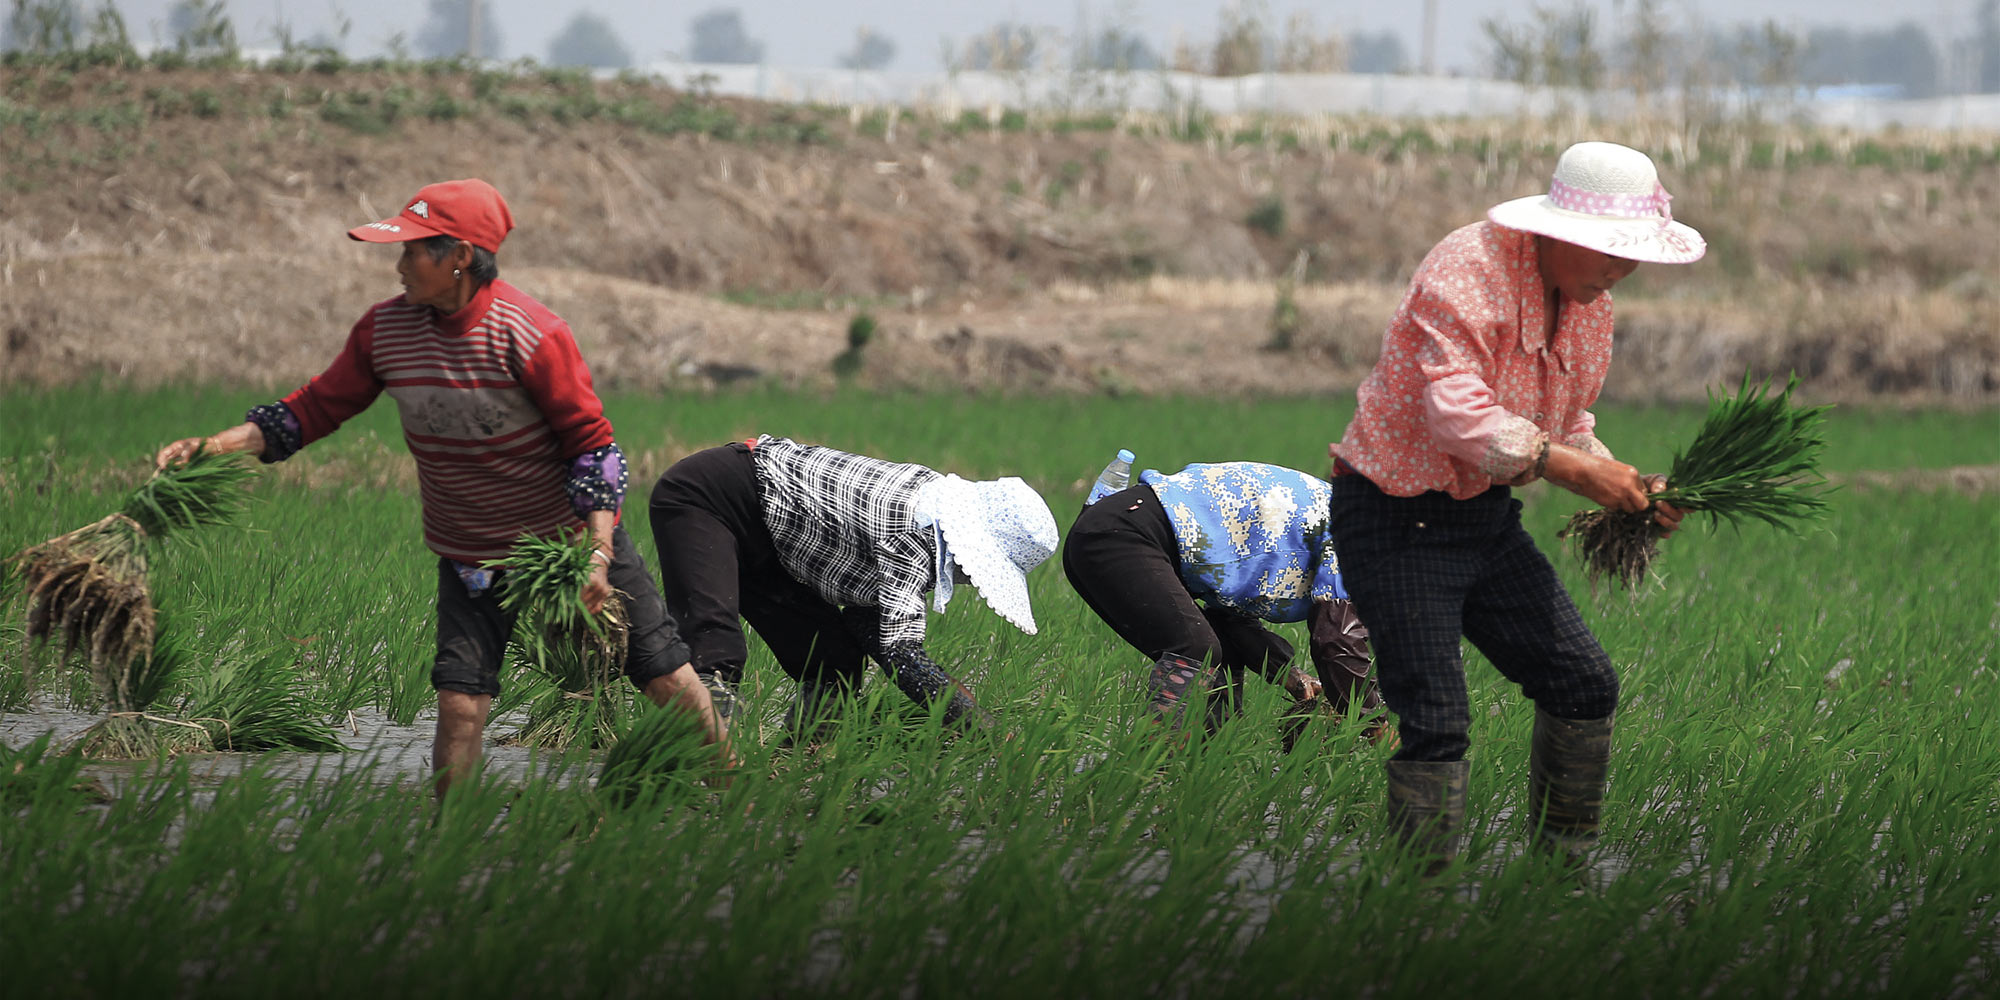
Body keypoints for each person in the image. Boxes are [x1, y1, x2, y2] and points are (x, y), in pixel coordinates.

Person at [153, 179, 731, 797]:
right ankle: (448, 839)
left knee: (663, 676)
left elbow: (593, 448)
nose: (399, 265)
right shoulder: (384, 333)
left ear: (458, 257)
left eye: (412, 250)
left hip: (564, 547)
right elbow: (312, 410)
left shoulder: (532, 334)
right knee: (460, 702)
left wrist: (596, 553)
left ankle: (734, 792)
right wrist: (212, 447)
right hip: (469, 556)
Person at [1326, 141, 1701, 869]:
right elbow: (1459, 418)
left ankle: (1559, 878)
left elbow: (1568, 424)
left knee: (1584, 684)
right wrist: (1577, 474)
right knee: (1436, 721)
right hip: (1395, 514)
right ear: (1560, 233)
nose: (1622, 269)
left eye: (1631, 256)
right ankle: (1415, 907)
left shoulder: (1592, 306)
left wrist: (1627, 486)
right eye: (1609, 252)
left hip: (1482, 519)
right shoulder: (1467, 271)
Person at [647, 436, 1059, 744]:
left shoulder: (932, 518)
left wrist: (970, 716)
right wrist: (982, 728)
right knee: (715, 653)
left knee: (834, 660)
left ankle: (790, 771)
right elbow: (900, 653)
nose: (970, 579)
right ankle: (677, 782)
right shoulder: (914, 529)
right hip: (709, 498)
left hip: (773, 540)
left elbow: (872, 629)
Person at [1064, 460, 1387, 749]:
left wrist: (1287, 674)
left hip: (1114, 529)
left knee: (1219, 658)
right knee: (1197, 649)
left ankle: (1198, 774)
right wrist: (1375, 727)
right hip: (1123, 532)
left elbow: (1231, 620)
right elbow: (1337, 641)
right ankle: (1148, 776)